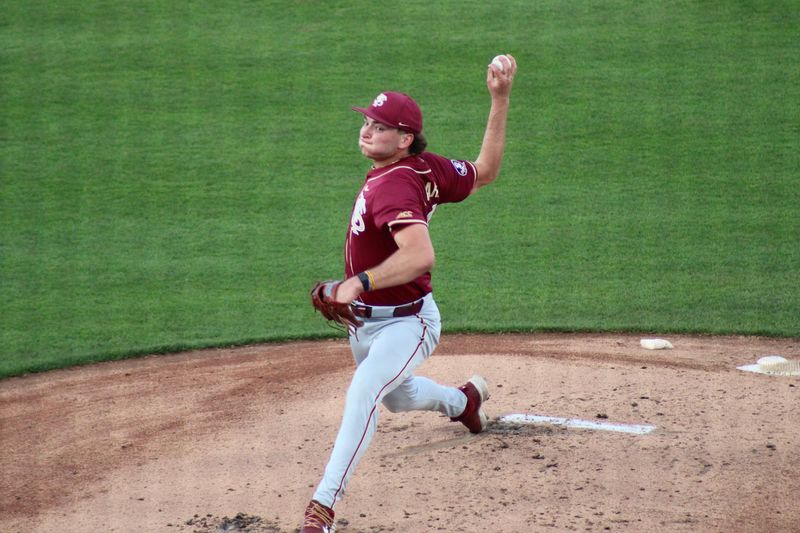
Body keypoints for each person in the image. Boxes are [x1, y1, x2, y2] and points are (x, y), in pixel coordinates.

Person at [301, 54, 517, 533]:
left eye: (380, 127)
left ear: (404, 138)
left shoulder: (397, 185)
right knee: (396, 397)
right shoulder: (423, 168)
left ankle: (322, 508)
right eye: (367, 122)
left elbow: (420, 256)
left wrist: (359, 281)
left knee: (364, 393)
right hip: (367, 321)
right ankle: (465, 404)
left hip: (408, 321)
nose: (367, 130)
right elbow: (485, 170)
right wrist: (499, 99)